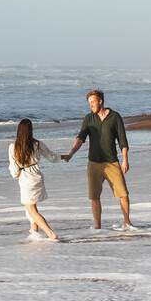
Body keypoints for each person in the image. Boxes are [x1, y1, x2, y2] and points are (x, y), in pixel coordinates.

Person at [62, 89, 134, 230]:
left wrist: (125, 160)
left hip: (111, 162)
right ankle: (97, 227)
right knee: (94, 196)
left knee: (123, 194)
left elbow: (122, 140)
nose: (91, 105)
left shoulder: (115, 117)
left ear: (100, 101)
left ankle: (127, 223)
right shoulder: (89, 118)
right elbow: (80, 138)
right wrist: (71, 153)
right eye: (89, 103)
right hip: (94, 163)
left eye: (93, 102)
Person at [8, 118, 63, 241]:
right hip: (37, 176)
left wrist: (16, 175)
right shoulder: (37, 144)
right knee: (32, 206)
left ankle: (50, 233)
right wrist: (63, 157)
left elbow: (13, 168)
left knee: (31, 209)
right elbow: (52, 157)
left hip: (25, 178)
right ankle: (34, 231)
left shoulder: (13, 147)